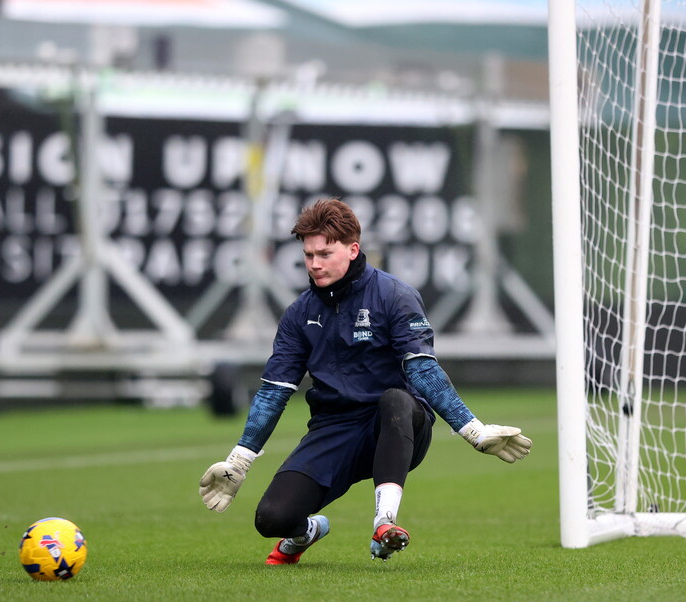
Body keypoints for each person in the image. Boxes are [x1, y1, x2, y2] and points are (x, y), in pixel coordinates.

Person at [199, 198, 532, 565]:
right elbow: (274, 392)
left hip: (397, 425)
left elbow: (422, 370)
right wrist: (240, 460)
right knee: (271, 519)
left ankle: (384, 523)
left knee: (395, 399)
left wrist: (474, 431)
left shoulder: (395, 295)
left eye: (324, 254)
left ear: (353, 249)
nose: (314, 264)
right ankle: (307, 532)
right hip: (334, 429)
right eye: (308, 255)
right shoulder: (298, 314)